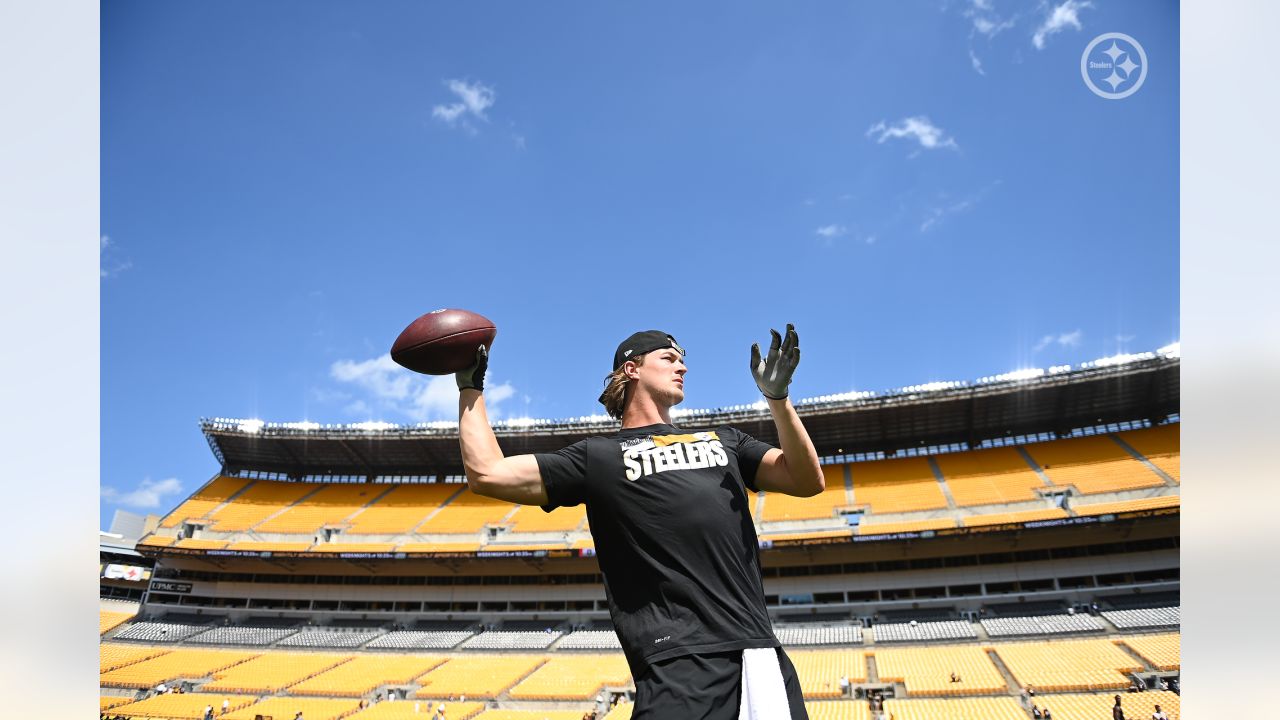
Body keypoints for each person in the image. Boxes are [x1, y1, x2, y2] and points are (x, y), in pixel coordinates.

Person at [457, 327, 823, 720]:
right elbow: (488, 474)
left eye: (683, 359)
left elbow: (806, 480)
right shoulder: (596, 457)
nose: (682, 365)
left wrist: (779, 400)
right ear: (631, 369)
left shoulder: (725, 440)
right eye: (669, 358)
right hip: (676, 664)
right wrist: (470, 386)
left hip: (758, 657)